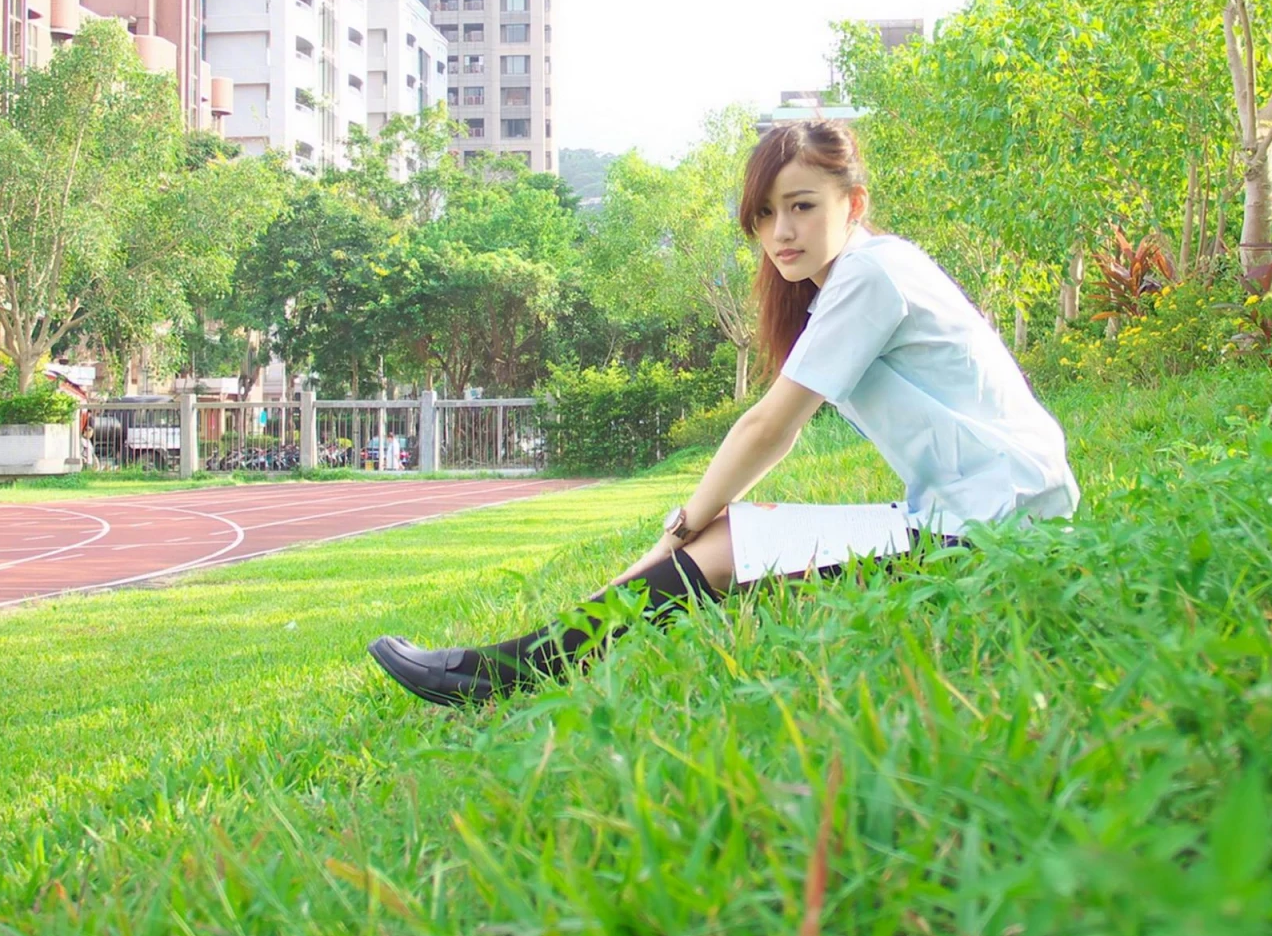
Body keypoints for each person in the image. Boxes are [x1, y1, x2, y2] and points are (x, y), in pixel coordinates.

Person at [366, 118, 1081, 707]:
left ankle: (508, 673)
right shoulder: (860, 277)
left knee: (718, 543)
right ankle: (511, 667)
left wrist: (680, 526)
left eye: (802, 205)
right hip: (976, 516)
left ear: (852, 204)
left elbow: (770, 427)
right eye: (765, 214)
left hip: (995, 530)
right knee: (732, 534)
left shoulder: (869, 275)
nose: (780, 232)